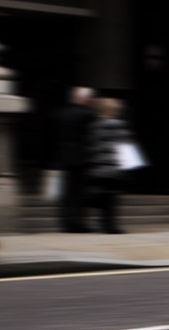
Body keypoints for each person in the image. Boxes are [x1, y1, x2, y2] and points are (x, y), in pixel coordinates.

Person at [87, 97, 136, 234]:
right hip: (113, 168)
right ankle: (111, 226)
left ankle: (103, 222)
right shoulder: (119, 125)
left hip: (97, 168)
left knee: (103, 196)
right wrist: (129, 166)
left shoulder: (94, 126)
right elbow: (125, 146)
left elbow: (90, 146)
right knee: (112, 199)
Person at [56, 86, 95, 232]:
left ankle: (66, 221)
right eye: (90, 98)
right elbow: (90, 137)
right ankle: (77, 222)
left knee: (67, 191)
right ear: (83, 99)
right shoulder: (87, 115)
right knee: (79, 192)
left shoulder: (61, 113)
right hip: (81, 158)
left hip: (65, 157)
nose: (91, 100)